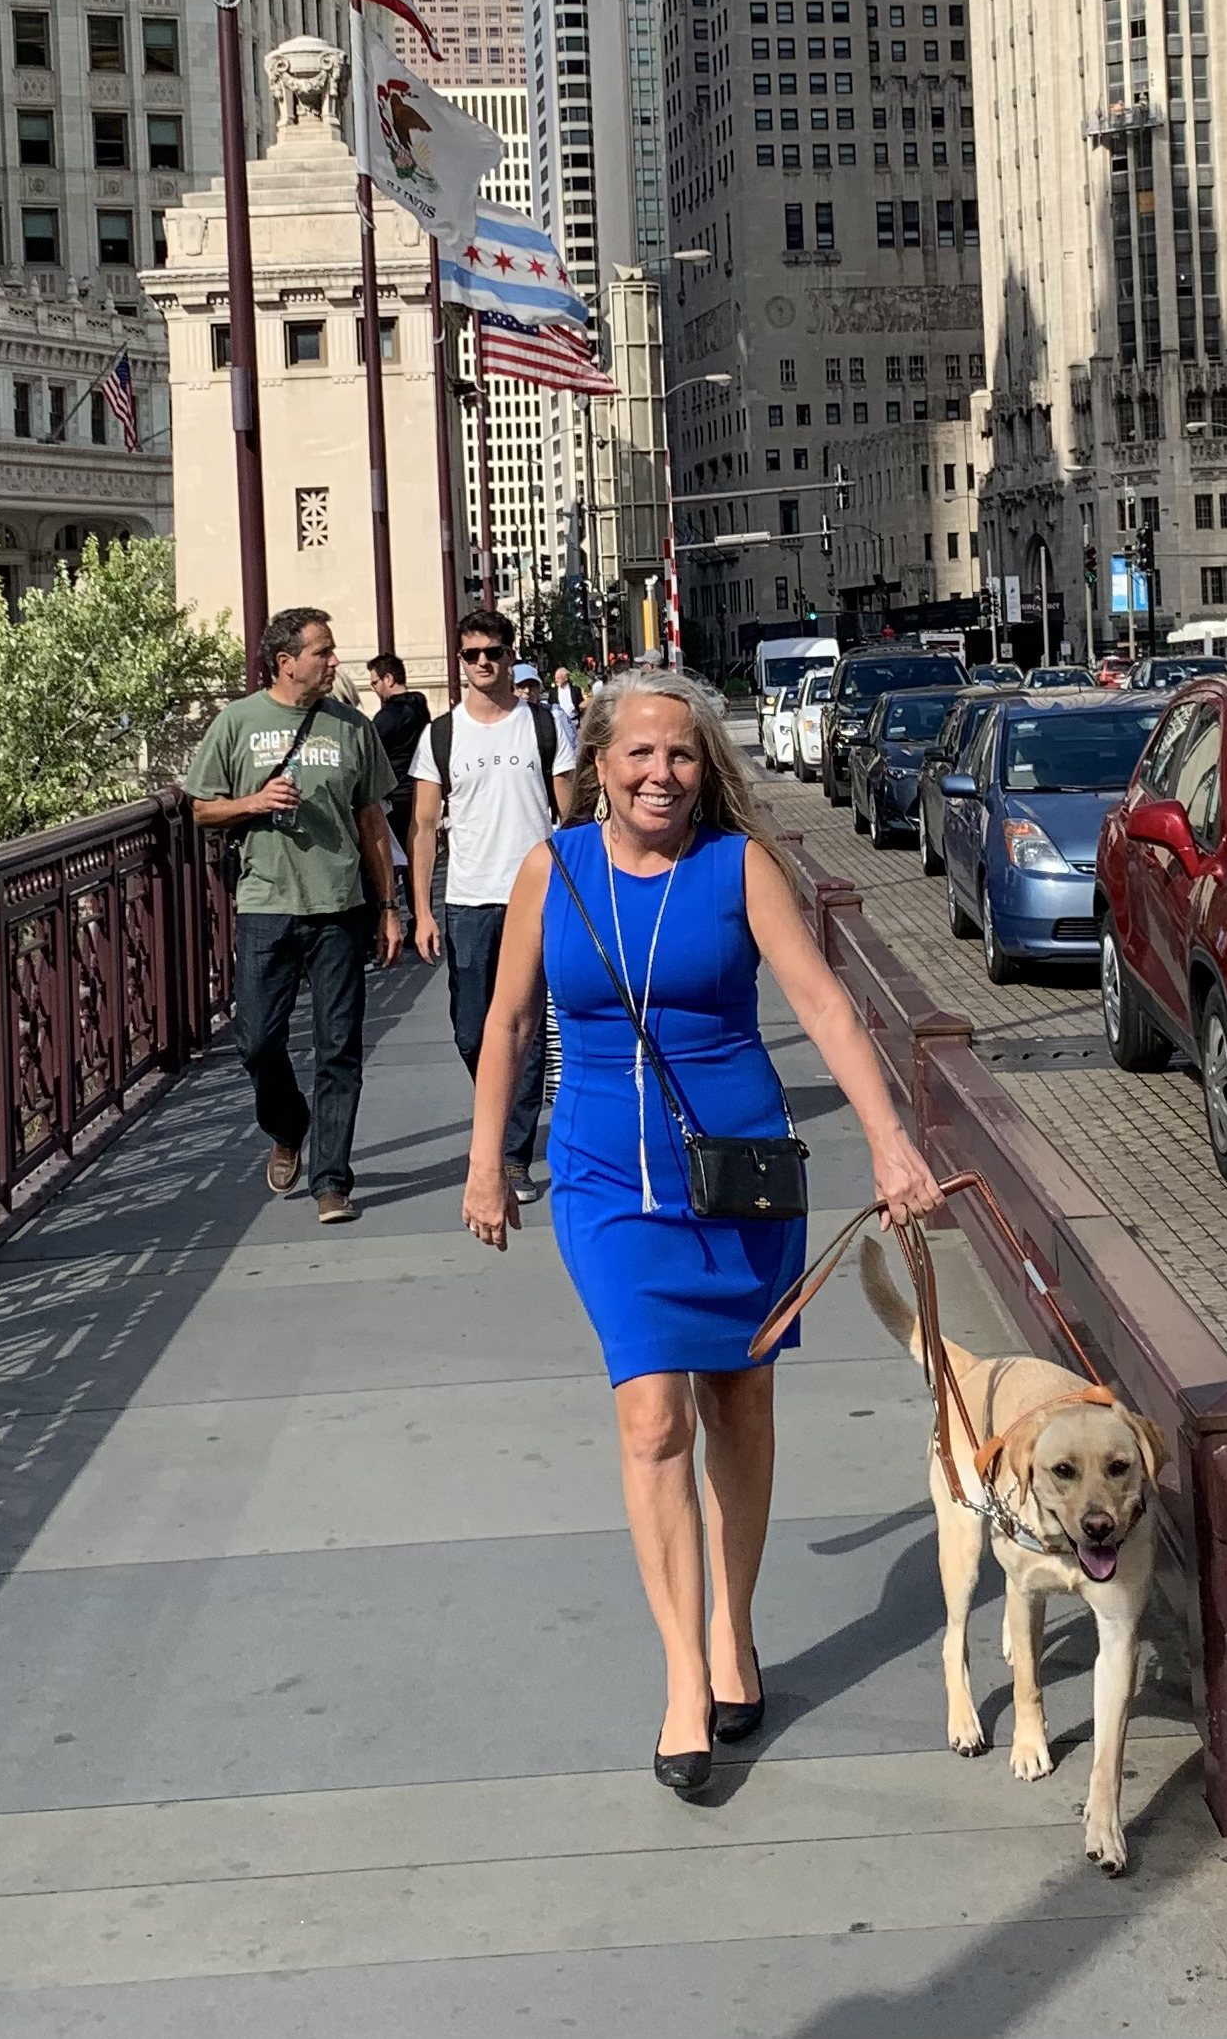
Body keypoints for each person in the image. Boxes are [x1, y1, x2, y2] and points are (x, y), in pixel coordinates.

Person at [461, 668, 941, 1795]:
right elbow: (509, 1016)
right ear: (595, 764)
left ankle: (735, 1628)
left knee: (739, 1397)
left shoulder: (740, 869)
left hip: (738, 1172)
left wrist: (887, 1141)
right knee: (649, 1418)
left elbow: (823, 1004)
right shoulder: (553, 869)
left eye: (679, 755)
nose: (659, 774)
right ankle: (684, 1674)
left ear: (702, 767)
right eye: (638, 754)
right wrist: (488, 1164)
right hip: (599, 1173)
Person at [186, 608, 402, 1224]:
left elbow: (372, 824)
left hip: (339, 908)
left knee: (340, 1050)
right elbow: (201, 809)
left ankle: (331, 1180)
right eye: (323, 652)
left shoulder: (352, 727)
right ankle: (288, 1126)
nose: (334, 662)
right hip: (265, 904)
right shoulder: (237, 721)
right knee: (256, 1041)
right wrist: (253, 802)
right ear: (286, 662)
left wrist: (390, 908)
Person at [411, 607, 576, 1204]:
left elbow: (572, 819)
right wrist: (422, 911)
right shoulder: (442, 734)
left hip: (536, 897)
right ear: (461, 662)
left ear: (511, 656)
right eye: (472, 655)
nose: (483, 663)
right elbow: (425, 826)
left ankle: (511, 1155)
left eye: (494, 652)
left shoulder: (545, 724)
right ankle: (500, 1110)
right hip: (468, 900)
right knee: (470, 1031)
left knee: (524, 1028)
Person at [368, 651, 430, 940]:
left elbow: (369, 751)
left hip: (393, 795)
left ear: (388, 679)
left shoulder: (387, 716)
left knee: (388, 859)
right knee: (417, 857)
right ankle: (422, 917)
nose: (374, 689)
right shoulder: (421, 707)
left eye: (374, 683)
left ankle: (388, 919)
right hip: (420, 789)